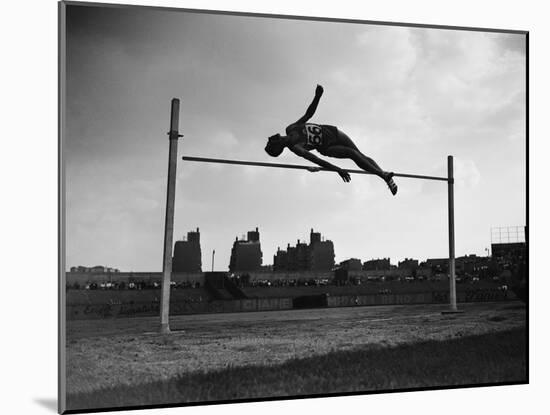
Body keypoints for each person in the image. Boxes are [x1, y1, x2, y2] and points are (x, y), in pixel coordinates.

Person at [265, 84, 398, 195]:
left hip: (332, 132)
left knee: (360, 155)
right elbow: (317, 160)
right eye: (271, 142)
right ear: (278, 147)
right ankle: (383, 176)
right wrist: (337, 170)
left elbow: (308, 115)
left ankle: (384, 176)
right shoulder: (296, 148)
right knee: (353, 154)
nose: (270, 138)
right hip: (327, 147)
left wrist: (317, 97)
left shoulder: (290, 128)